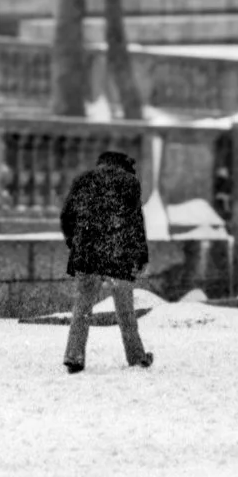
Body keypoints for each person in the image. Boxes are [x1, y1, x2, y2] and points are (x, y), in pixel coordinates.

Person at [59, 147, 154, 374]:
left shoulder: (84, 180)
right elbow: (135, 222)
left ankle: (74, 355)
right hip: (117, 254)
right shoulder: (129, 182)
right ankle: (136, 356)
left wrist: (75, 242)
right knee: (125, 311)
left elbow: (67, 215)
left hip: (87, 254)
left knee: (82, 307)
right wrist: (140, 255)